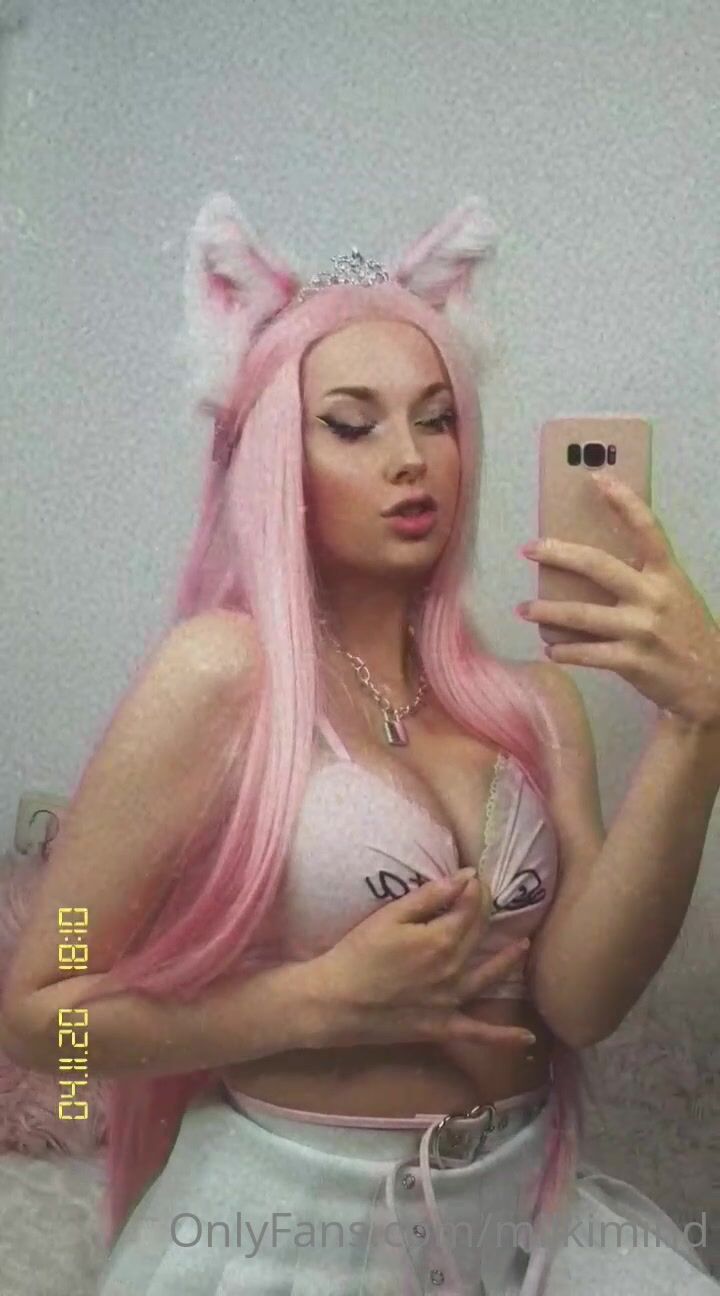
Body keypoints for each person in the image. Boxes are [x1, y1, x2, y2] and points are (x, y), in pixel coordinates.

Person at [4, 193, 719, 1294]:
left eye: (438, 419)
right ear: (274, 458)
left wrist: (695, 729)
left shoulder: (533, 707)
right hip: (289, 1238)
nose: (411, 459)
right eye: (352, 424)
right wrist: (312, 1004)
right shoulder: (219, 676)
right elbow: (43, 1027)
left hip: (522, 1225)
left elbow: (582, 1005)